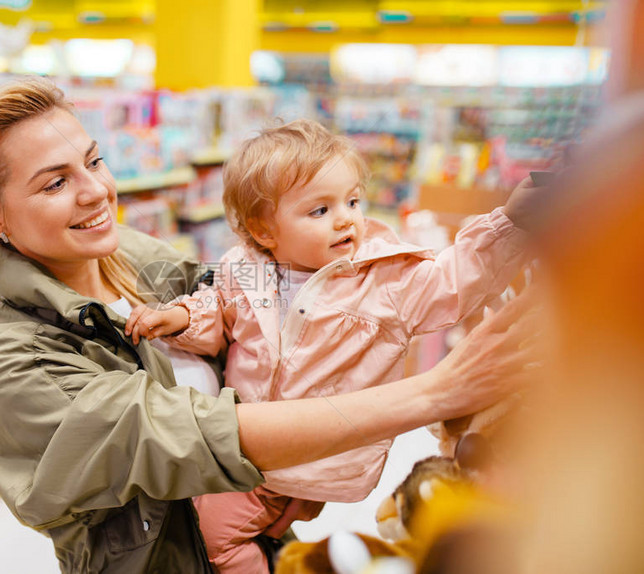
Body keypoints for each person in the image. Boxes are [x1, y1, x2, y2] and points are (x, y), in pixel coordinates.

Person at [0, 76, 537, 574]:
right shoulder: (13, 362)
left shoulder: (134, 259)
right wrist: (435, 391)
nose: (97, 192)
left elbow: (241, 308)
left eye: (94, 161)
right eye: (56, 182)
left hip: (264, 530)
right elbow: (192, 435)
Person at [124, 119, 539, 572]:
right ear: (264, 231)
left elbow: (453, 280)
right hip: (253, 446)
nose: (346, 218)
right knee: (232, 526)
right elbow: (220, 311)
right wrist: (181, 317)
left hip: (314, 451)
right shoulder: (245, 269)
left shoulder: (383, 281)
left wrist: (510, 224)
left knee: (214, 536)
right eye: (319, 211)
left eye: (353, 200)